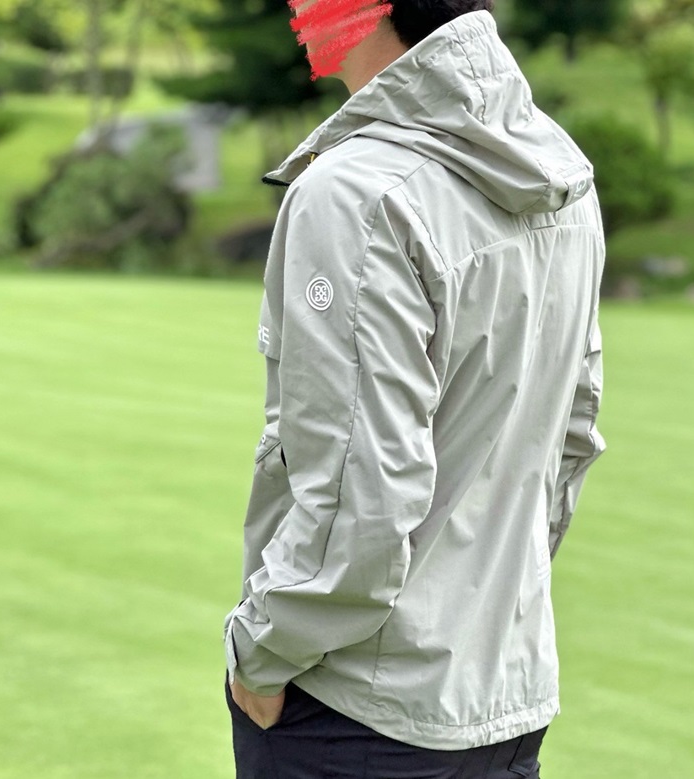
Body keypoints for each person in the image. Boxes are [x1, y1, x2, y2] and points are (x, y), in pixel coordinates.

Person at [223, 1, 606, 777]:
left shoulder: (354, 193)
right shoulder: (560, 168)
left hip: (356, 712)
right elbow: (572, 433)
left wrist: (262, 652)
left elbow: (363, 490)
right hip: (504, 691)